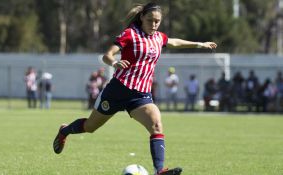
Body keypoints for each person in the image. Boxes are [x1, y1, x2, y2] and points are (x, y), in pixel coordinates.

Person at [53, 2, 217, 175]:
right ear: (141, 17)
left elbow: (174, 42)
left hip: (140, 95)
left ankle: (159, 170)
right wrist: (114, 62)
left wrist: (200, 44)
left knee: (156, 125)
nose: (154, 24)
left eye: (157, 21)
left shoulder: (159, 37)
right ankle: (64, 131)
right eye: (150, 20)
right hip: (117, 90)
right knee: (90, 127)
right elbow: (107, 55)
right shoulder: (130, 34)